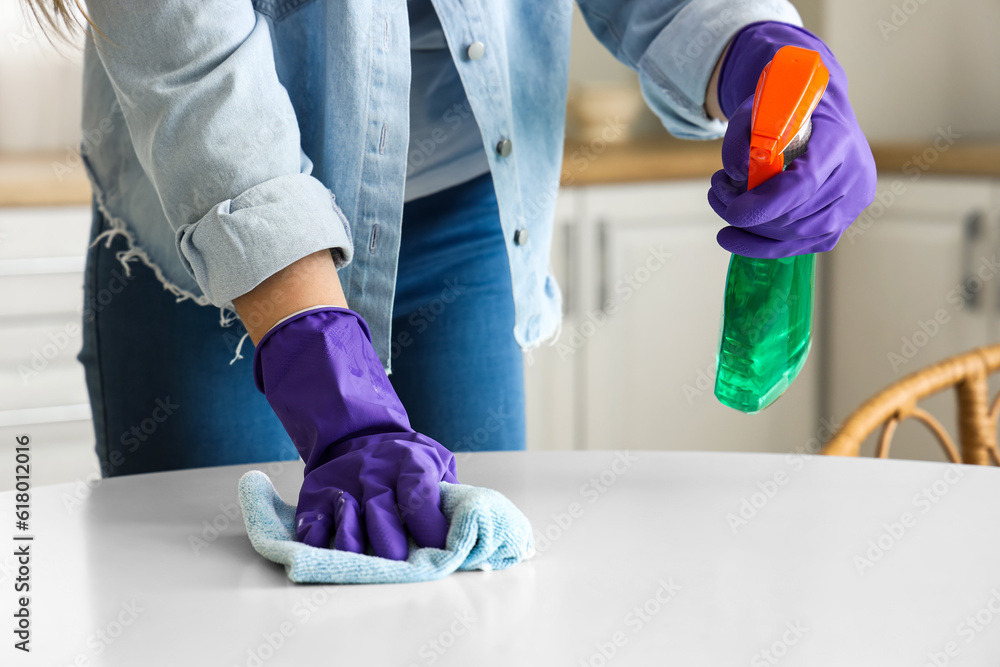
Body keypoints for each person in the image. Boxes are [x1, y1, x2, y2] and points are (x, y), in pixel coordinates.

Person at [27, 0, 875, 560]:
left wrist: (753, 47)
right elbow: (195, 75)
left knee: (478, 604)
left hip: (465, 206)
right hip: (219, 245)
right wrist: (324, 377)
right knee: (209, 622)